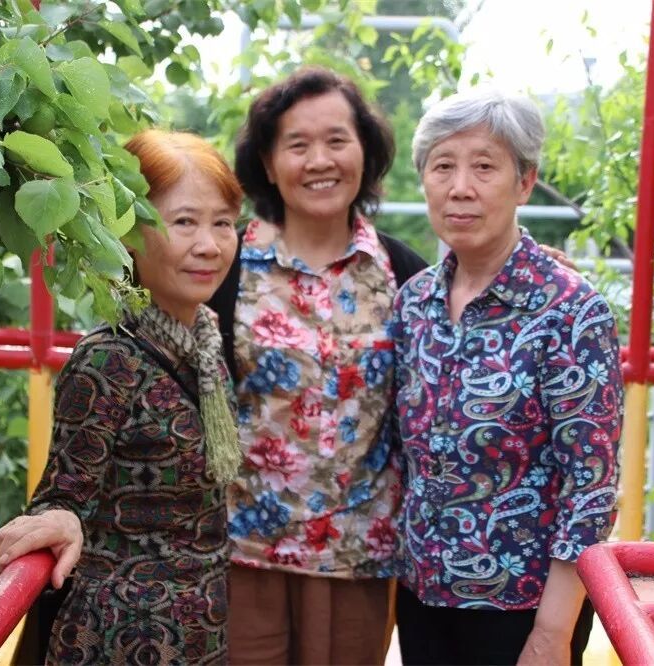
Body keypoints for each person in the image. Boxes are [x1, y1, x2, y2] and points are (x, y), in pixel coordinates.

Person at [392, 88, 623, 666]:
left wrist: (551, 635)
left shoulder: (570, 310)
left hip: (524, 608)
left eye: (484, 167)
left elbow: (590, 488)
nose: (460, 187)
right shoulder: (414, 302)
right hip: (422, 595)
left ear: (525, 183)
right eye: (442, 166)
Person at [0, 129, 243, 665]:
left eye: (223, 223)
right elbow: (63, 494)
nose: (210, 244)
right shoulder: (110, 359)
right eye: (185, 222)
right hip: (118, 634)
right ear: (128, 235)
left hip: (200, 626)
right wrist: (61, 519)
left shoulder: (205, 345)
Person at [207, 66, 428, 665]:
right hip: (242, 551)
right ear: (268, 162)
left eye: (337, 140)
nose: (319, 161)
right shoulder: (225, 264)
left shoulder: (403, 274)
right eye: (297, 144)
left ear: (365, 152)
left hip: (358, 554)